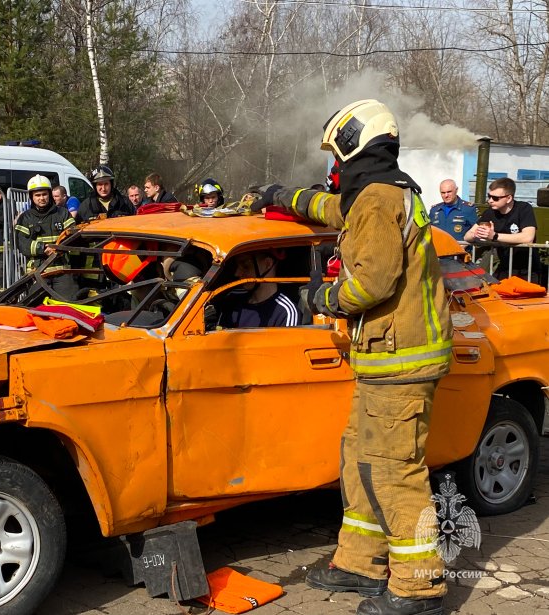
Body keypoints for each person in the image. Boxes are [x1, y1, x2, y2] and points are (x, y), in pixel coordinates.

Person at [252, 99, 453, 615]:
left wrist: (323, 298)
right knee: (360, 460)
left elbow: (373, 281)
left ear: (353, 145)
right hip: (383, 360)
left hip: (400, 359)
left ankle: (419, 586)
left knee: (393, 470)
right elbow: (330, 208)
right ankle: (361, 563)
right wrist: (281, 197)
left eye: (336, 157)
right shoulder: (381, 192)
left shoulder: (377, 199)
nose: (333, 168)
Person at [464, 177, 539, 281]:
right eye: (489, 196)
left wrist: (494, 236)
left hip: (527, 270)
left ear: (508, 198)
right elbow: (467, 236)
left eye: (495, 198)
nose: (490, 200)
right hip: (504, 268)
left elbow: (528, 237)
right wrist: (477, 233)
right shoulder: (490, 212)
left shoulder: (523, 209)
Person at [15, 175, 76, 296]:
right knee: (37, 308)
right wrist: (42, 248)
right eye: (37, 195)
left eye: (44, 194)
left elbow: (73, 235)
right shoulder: (25, 218)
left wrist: (59, 247)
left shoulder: (62, 213)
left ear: (49, 195)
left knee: (68, 304)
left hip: (62, 270)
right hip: (37, 272)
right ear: (31, 197)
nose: (41, 198)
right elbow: (21, 243)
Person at [218, 251, 299, 328]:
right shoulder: (232, 298)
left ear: (268, 264)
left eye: (246, 266)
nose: (237, 273)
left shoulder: (285, 312)